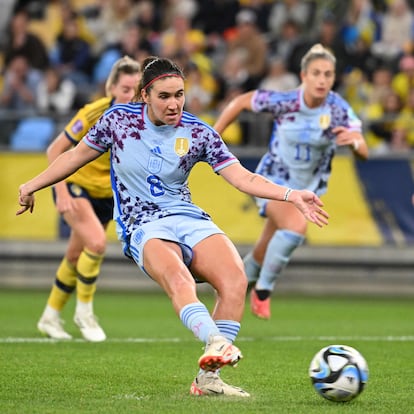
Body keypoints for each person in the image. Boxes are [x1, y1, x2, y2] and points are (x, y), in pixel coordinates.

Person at [17, 56, 328, 396]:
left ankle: (208, 381)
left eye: (179, 94)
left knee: (236, 279)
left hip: (186, 216)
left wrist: (290, 194)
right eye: (164, 96)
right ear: (145, 95)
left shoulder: (197, 132)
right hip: (143, 225)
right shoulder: (118, 121)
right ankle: (214, 341)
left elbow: (242, 177)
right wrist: (33, 184)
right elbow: (73, 156)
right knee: (179, 278)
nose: (174, 103)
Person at [214, 44, 368, 320]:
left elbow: (363, 148)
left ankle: (236, 284)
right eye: (316, 73)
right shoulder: (286, 101)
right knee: (295, 227)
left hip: (308, 189)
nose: (322, 80)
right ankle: (263, 292)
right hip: (272, 181)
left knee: (268, 242)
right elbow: (240, 102)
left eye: (328, 74)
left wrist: (355, 142)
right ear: (304, 76)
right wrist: (213, 137)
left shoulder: (338, 109)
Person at [36, 55, 141, 342]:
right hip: (76, 187)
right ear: (111, 90)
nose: (131, 96)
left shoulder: (142, 120)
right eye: (125, 90)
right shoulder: (93, 113)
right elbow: (55, 150)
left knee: (74, 255)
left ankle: (49, 316)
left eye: (136, 90)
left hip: (107, 196)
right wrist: (59, 191)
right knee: (96, 243)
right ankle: (85, 313)